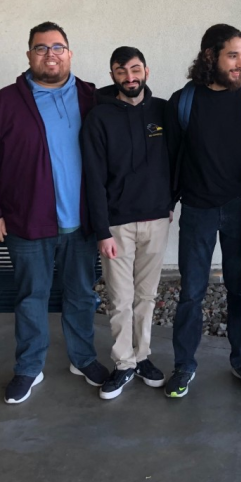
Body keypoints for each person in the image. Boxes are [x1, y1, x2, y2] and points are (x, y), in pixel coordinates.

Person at [0, 21, 109, 405]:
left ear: (70, 53)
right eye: (41, 48)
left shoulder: (92, 98)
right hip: (27, 220)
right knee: (32, 296)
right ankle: (29, 367)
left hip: (80, 221)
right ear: (29, 54)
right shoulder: (4, 102)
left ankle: (83, 359)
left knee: (81, 295)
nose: (50, 54)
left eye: (58, 47)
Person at [164, 23, 241, 398]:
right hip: (197, 211)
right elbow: (170, 158)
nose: (240, 64)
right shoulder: (184, 101)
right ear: (210, 56)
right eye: (233, 55)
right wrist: (167, 204)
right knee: (192, 291)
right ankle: (183, 366)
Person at [81, 46, 173, 400]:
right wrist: (101, 230)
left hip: (157, 219)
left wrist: (170, 202)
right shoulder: (99, 118)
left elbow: (177, 158)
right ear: (113, 75)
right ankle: (123, 363)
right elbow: (93, 177)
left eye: (135, 69)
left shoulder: (163, 111)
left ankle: (143, 356)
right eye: (122, 71)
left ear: (146, 71)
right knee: (120, 298)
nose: (130, 77)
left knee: (146, 296)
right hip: (117, 225)